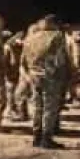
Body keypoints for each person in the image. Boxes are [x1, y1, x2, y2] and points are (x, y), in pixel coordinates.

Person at [21, 15, 68, 149]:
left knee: (37, 106)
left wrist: (29, 73)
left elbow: (23, 60)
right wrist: (63, 76)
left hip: (34, 75)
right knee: (49, 108)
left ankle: (36, 136)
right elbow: (60, 59)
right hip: (50, 76)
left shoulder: (30, 37)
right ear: (53, 24)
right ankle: (47, 138)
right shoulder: (57, 36)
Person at [4, 30, 27, 120]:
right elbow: (5, 61)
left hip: (19, 73)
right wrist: (7, 73)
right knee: (10, 93)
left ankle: (20, 112)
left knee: (19, 93)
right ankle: (10, 112)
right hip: (11, 73)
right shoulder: (9, 46)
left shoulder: (22, 46)